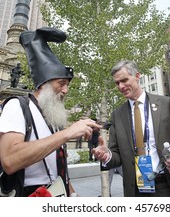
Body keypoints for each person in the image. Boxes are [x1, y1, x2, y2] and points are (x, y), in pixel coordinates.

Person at [0, 27, 101, 197]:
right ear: (42, 84)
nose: (66, 90)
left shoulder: (52, 114)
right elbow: (10, 160)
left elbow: (57, 166)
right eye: (61, 83)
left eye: (67, 85)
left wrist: (73, 195)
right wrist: (67, 133)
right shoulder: (17, 107)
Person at [92, 60, 170, 197]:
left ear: (137, 76)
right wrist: (107, 155)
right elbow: (116, 154)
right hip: (136, 189)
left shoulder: (165, 104)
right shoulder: (117, 115)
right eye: (117, 83)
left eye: (124, 80)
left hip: (169, 185)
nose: (121, 86)